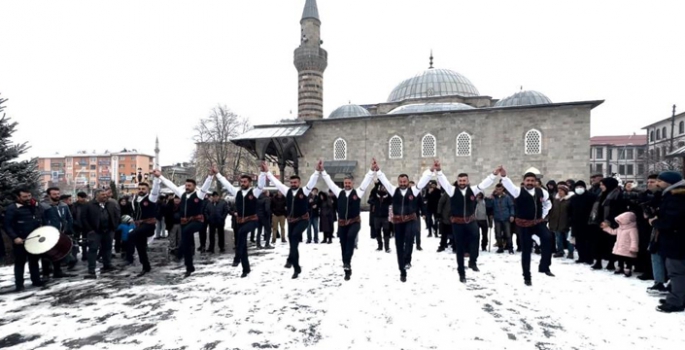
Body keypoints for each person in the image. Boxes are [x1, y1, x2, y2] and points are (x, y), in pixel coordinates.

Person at [432, 160, 498, 283]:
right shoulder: (452, 190)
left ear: (467, 181)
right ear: (457, 181)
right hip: (457, 223)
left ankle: (473, 262)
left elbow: (484, 184)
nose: (462, 183)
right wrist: (439, 170)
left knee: (475, 241)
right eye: (460, 181)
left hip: (471, 222)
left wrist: (493, 174)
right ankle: (461, 272)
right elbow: (444, 181)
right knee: (459, 247)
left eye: (464, 181)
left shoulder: (473, 190)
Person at [374, 158, 432, 282]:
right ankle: (402, 271)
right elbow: (384, 180)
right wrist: (378, 170)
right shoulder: (394, 191)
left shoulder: (414, 191)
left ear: (407, 181)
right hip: (398, 222)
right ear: (398, 182)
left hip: (410, 220)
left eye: (404, 181)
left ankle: (407, 261)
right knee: (399, 246)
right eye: (400, 181)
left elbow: (422, 182)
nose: (403, 183)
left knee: (409, 240)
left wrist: (430, 171)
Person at [316, 160, 375, 281]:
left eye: (349, 183)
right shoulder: (339, 193)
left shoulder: (357, 193)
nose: (347, 184)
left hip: (354, 222)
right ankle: (346, 266)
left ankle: (347, 261)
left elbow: (365, 182)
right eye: (345, 183)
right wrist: (323, 171)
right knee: (343, 244)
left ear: (352, 183)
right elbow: (330, 182)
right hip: (342, 223)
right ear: (343, 184)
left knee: (350, 238)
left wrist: (371, 170)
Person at [262, 161, 319, 279]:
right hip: (291, 221)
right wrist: (267, 172)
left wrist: (317, 171)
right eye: (291, 182)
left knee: (294, 237)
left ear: (299, 183)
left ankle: (289, 259)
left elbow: (312, 181)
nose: (293, 184)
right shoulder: (286, 191)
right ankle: (296, 268)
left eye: (295, 182)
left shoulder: (304, 191)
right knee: (293, 243)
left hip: (303, 220)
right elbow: (276, 183)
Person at [500, 168, 554, 286]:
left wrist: (543, 215)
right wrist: (504, 176)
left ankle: (544, 267)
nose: (530, 182)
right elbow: (509, 185)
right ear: (524, 181)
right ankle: (527, 276)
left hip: (537, 222)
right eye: (527, 180)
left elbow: (547, 203)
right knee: (526, 250)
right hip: (524, 224)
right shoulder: (518, 191)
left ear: (536, 182)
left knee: (548, 238)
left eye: (532, 180)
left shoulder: (542, 192)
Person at [155, 170, 213, 278]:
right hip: (185, 222)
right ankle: (189, 267)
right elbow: (171, 186)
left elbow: (205, 187)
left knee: (185, 233)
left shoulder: (199, 195)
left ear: (194, 187)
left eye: (189, 185)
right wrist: (160, 177)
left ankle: (179, 253)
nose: (187, 187)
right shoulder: (182, 195)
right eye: (186, 185)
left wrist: (210, 176)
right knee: (186, 243)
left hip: (197, 221)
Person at [212, 166, 264, 278]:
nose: (243, 183)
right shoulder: (237, 193)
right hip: (240, 221)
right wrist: (217, 174)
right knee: (242, 244)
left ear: (249, 183)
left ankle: (237, 257)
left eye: (245, 182)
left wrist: (263, 172)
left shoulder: (254, 192)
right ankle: (246, 269)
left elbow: (261, 185)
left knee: (241, 234)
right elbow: (226, 184)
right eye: (241, 181)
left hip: (252, 220)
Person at [650, 171, 685, 313]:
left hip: (676, 241)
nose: (657, 183)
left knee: (676, 272)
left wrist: (655, 222)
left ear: (669, 182)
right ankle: (678, 297)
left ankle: (675, 301)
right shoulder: (672, 195)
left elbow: (672, 221)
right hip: (676, 240)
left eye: (660, 181)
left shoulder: (676, 198)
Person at [3, 186, 45, 291]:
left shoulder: (34, 205)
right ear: (18, 197)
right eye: (24, 196)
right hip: (20, 241)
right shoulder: (12, 208)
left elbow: (40, 217)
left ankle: (36, 281)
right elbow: (7, 225)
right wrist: (15, 237)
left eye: (29, 196)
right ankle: (19, 285)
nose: (28, 198)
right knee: (20, 263)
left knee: (34, 261)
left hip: (34, 239)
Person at [81, 189, 121, 279]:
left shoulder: (110, 204)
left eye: (106, 195)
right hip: (95, 231)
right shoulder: (89, 205)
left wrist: (114, 226)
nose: (105, 196)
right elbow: (83, 218)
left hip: (108, 230)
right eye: (103, 195)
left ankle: (107, 265)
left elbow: (116, 215)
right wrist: (90, 229)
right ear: (97, 196)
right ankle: (91, 269)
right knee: (93, 249)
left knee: (107, 248)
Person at [589, 177, 627, 271]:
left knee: (610, 244)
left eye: (603, 184)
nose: (601, 186)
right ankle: (598, 262)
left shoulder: (617, 195)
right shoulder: (601, 194)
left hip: (611, 224)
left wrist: (608, 221)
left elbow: (617, 210)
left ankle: (611, 263)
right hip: (599, 222)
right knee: (598, 243)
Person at [126, 178, 161, 277]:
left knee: (131, 235)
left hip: (148, 225)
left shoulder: (151, 198)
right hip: (139, 225)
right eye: (139, 188)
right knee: (140, 248)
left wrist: (156, 180)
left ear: (147, 190)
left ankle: (128, 256)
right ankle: (146, 266)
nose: (141, 190)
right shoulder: (134, 199)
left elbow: (155, 191)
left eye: (143, 189)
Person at [39, 187, 76, 278]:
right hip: (48, 233)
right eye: (54, 194)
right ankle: (46, 273)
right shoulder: (43, 206)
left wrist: (69, 229)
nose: (57, 196)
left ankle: (57, 271)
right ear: (49, 195)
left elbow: (69, 218)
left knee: (58, 253)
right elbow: (40, 219)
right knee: (46, 254)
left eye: (58, 194)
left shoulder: (63, 205)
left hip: (61, 233)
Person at [601, 212, 639, 277]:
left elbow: (634, 239)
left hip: (628, 248)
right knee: (620, 258)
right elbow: (613, 232)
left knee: (628, 259)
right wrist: (606, 228)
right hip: (620, 247)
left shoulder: (632, 229)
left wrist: (634, 247)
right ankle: (620, 267)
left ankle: (628, 269)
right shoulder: (620, 228)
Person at [568, 181, 597, 264]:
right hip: (576, 223)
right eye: (577, 187)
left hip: (588, 223)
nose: (579, 189)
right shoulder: (574, 198)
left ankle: (589, 258)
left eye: (581, 187)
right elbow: (570, 210)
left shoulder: (591, 197)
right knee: (579, 242)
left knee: (588, 242)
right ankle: (581, 257)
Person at [548, 184, 574, 259]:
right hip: (556, 222)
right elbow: (552, 210)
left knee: (568, 239)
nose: (560, 192)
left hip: (566, 222)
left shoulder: (569, 200)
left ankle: (570, 252)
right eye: (559, 190)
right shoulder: (555, 200)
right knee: (558, 238)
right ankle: (560, 251)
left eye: (561, 191)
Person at [368, 183, 392, 252]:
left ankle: (387, 247)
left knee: (386, 232)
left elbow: (392, 201)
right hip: (377, 216)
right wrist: (376, 187)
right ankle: (379, 246)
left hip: (385, 216)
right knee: (377, 232)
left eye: (384, 187)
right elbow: (369, 200)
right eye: (381, 187)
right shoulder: (375, 196)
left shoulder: (388, 197)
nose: (382, 189)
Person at [492, 184, 515, 254]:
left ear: (502, 189)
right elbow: (490, 206)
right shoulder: (494, 198)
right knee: (498, 234)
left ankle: (510, 248)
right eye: (497, 189)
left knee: (508, 234)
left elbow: (511, 206)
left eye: (500, 189)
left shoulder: (507, 197)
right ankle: (500, 247)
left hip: (506, 217)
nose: (498, 191)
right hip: (497, 218)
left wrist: (512, 215)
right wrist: (490, 199)